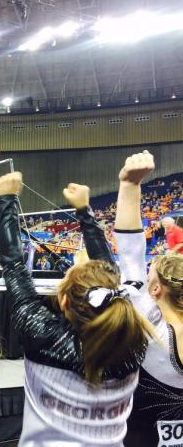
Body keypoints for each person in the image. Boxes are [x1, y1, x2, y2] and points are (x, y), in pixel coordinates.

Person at [0, 172, 154, 446]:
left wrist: (6, 201)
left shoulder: (42, 335)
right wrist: (84, 211)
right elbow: (109, 278)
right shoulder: (133, 342)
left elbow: (12, 265)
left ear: (65, 301)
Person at [112, 151, 183, 447]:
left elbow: (129, 255)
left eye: (149, 273)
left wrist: (129, 185)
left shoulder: (147, 325)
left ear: (155, 290)